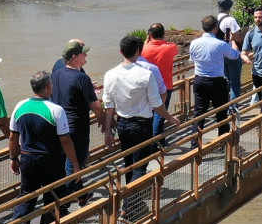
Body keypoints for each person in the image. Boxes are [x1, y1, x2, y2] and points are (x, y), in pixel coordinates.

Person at [8, 71, 78, 224]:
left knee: (27, 194)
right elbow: (66, 141)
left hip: (27, 158)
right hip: (50, 160)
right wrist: (75, 164)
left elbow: (12, 137)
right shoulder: (56, 109)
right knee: (53, 196)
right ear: (48, 87)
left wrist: (13, 158)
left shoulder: (20, 106)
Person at [102, 36, 178, 183]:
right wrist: (170, 118)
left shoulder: (110, 74)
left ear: (120, 51)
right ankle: (131, 203)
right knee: (140, 166)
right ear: (138, 51)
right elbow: (156, 104)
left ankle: (132, 197)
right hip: (142, 125)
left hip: (122, 124)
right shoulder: (145, 74)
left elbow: (108, 106)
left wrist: (107, 132)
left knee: (128, 163)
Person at [50, 41, 101, 187]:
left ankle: (81, 197)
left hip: (58, 125)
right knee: (75, 164)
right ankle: (64, 203)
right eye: (83, 53)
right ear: (74, 57)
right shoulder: (82, 78)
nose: (86, 55)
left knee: (69, 162)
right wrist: (105, 122)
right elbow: (95, 105)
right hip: (77, 128)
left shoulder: (55, 75)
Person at [189, 14, 242, 140]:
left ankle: (195, 145)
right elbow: (235, 55)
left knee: (199, 114)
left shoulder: (194, 43)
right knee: (221, 113)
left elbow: (192, 60)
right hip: (216, 82)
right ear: (215, 28)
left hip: (199, 80)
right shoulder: (220, 44)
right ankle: (223, 142)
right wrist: (233, 42)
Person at [140, 24, 180, 138]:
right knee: (160, 114)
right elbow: (174, 49)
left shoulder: (143, 49)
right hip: (165, 85)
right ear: (163, 34)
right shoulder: (171, 47)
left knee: (149, 114)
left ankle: (149, 139)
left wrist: (146, 42)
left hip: (147, 85)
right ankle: (157, 141)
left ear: (150, 34)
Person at [216, 0, 245, 103]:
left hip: (221, 54)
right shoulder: (230, 20)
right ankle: (233, 108)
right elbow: (238, 38)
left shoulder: (216, 19)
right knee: (235, 82)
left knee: (226, 80)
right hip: (232, 53)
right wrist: (245, 31)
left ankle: (223, 104)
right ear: (229, 7)